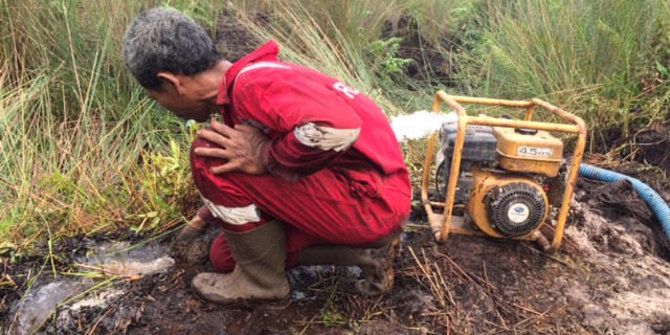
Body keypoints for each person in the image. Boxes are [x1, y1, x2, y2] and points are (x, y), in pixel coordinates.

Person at [123, 8, 411, 304]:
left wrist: (266, 155)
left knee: (210, 154)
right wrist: (204, 217)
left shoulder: (252, 87)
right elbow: (252, 172)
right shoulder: (252, 81)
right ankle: (370, 254)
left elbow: (338, 127)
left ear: (171, 83)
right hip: (372, 197)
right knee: (225, 256)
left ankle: (262, 284)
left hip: (370, 202)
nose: (163, 105)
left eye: (156, 97)